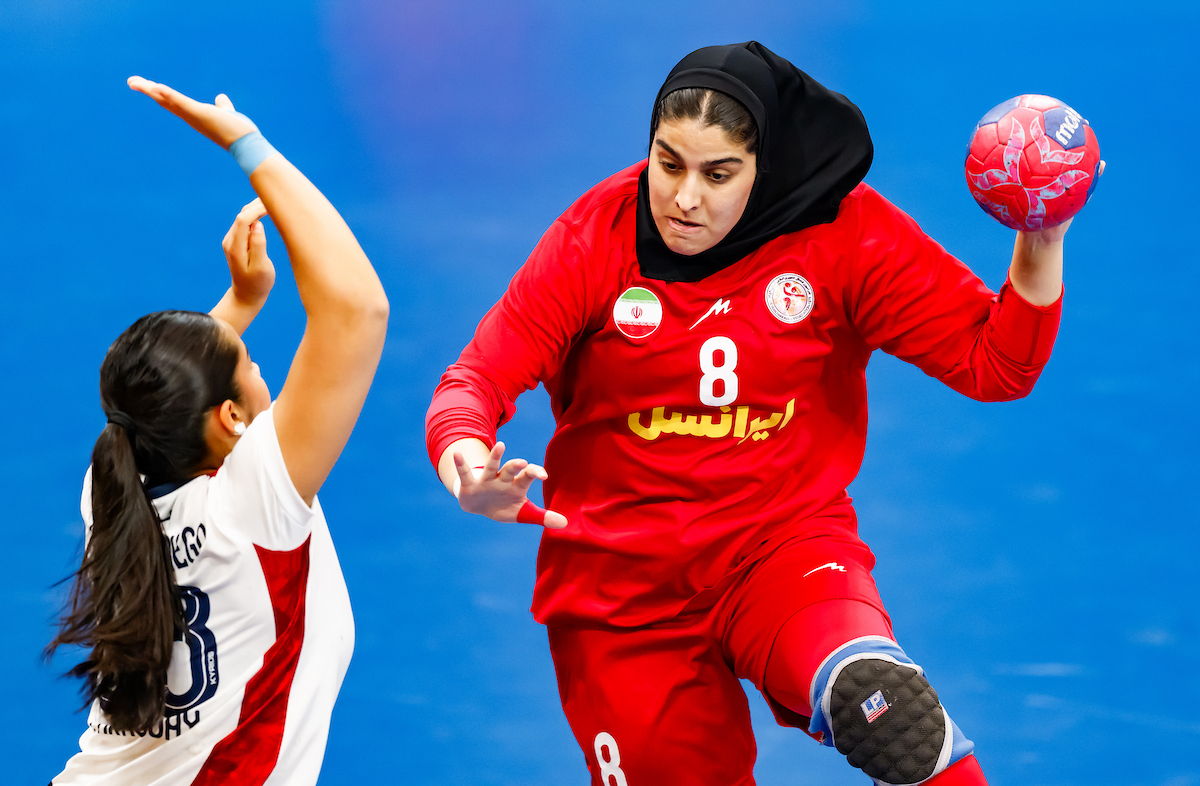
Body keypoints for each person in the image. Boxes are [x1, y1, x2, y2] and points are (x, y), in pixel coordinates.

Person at [427, 42, 1100, 785]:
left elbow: (995, 363)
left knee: (884, 707)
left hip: (781, 547)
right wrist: (466, 461)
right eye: (668, 163)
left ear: (765, 166)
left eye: (718, 174)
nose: (684, 198)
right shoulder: (594, 239)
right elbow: (476, 380)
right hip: (621, 590)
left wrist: (1041, 238)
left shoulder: (842, 232)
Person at [46, 77, 389, 785]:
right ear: (231, 420)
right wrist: (246, 144)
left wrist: (240, 301)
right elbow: (357, 309)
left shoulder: (113, 489)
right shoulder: (252, 504)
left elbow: (160, 396)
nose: (263, 372)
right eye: (251, 366)